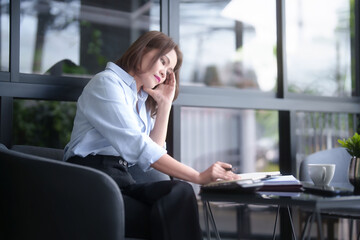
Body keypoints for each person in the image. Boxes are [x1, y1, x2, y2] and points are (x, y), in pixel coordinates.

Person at [63, 31, 238, 240]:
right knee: (172, 217)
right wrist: (198, 177)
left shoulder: (141, 100)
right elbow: (141, 149)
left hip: (122, 180)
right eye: (162, 62)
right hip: (92, 184)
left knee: (179, 192)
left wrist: (164, 105)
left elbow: (152, 153)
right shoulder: (106, 83)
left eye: (169, 70)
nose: (164, 73)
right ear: (143, 50)